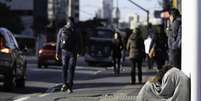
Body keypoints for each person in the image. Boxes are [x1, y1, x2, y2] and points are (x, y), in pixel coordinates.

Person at [56, 17, 81, 93]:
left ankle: (64, 84)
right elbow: (80, 42)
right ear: (73, 22)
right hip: (73, 52)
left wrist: (57, 52)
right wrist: (79, 52)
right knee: (71, 69)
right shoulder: (76, 30)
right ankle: (70, 87)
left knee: (64, 68)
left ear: (67, 22)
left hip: (64, 52)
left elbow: (58, 42)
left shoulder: (61, 30)